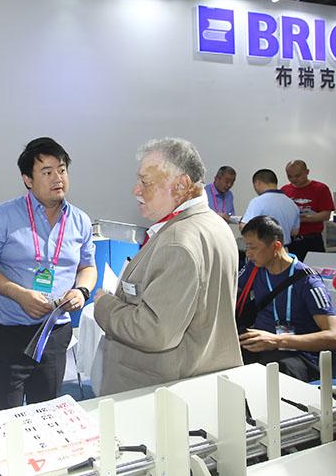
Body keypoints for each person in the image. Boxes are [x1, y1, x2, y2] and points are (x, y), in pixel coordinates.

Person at [93, 138, 242, 394]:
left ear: (181, 185)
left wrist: (104, 305)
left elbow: (154, 332)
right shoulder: (215, 225)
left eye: (145, 182)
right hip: (200, 379)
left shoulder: (177, 242)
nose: (136, 190)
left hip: (158, 391)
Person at [0, 137, 97, 411]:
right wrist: (18, 294)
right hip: (9, 332)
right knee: (4, 414)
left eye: (62, 170)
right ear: (27, 179)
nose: (58, 178)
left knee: (47, 409)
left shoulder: (80, 221)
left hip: (54, 331)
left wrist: (82, 290)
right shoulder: (3, 216)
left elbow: (87, 266)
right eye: (47, 172)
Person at [238, 216, 336, 382]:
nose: (248, 254)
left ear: (276, 246)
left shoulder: (308, 281)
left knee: (274, 374)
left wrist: (276, 340)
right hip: (260, 346)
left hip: (297, 355)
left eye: (253, 247)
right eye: (247, 247)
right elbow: (231, 293)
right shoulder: (255, 268)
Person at [281, 160, 335, 261]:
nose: (293, 179)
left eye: (297, 176)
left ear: (307, 172)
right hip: (292, 240)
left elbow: (326, 215)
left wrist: (301, 219)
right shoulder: (284, 190)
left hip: (312, 239)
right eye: (290, 176)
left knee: (315, 267)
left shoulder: (320, 189)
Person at [240, 169, 300, 247]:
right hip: (284, 248)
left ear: (257, 183)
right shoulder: (292, 204)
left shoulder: (258, 202)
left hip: (265, 249)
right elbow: (294, 232)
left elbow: (244, 227)